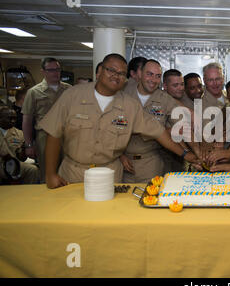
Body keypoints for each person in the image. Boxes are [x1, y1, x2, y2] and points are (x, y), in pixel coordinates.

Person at [39, 53, 199, 189]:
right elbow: (53, 134)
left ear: (126, 78)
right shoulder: (72, 96)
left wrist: (187, 155)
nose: (116, 76)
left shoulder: (130, 106)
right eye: (111, 70)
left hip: (110, 174)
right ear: (99, 71)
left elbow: (159, 133)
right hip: (73, 173)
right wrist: (50, 174)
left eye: (121, 73)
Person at [121, 59, 187, 181]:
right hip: (122, 163)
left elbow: (183, 126)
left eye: (157, 76)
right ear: (140, 74)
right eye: (149, 74)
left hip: (150, 163)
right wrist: (120, 156)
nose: (153, 80)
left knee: (150, 197)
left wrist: (194, 153)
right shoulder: (123, 93)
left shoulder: (165, 100)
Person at [21, 57, 71, 182]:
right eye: (51, 70)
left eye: (58, 69)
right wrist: (28, 145)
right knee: (48, 173)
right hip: (45, 136)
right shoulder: (34, 92)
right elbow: (27, 121)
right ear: (43, 71)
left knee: (68, 171)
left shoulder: (69, 89)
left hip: (67, 135)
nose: (55, 72)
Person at [0, 106, 39, 184]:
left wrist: (25, 150)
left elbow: (22, 158)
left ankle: (29, 193)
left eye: (14, 118)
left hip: (14, 164)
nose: (13, 121)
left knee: (32, 169)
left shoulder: (19, 134)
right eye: (10, 118)